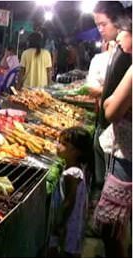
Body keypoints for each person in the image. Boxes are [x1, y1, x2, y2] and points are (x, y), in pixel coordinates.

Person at [94, 12, 132, 258]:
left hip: (127, 156)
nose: (118, 37)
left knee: (111, 225)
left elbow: (111, 110)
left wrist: (108, 99)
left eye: (124, 32)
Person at [91, 1, 131, 199]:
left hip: (123, 145)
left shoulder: (127, 54)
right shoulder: (119, 49)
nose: (100, 29)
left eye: (103, 24)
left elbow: (112, 109)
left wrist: (109, 102)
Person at [48, 127, 93, 258]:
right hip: (73, 223)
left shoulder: (72, 174)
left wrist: (59, 225)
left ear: (76, 151)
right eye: (58, 141)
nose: (57, 146)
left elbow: (69, 202)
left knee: (65, 251)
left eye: (63, 144)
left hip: (69, 224)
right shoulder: (78, 168)